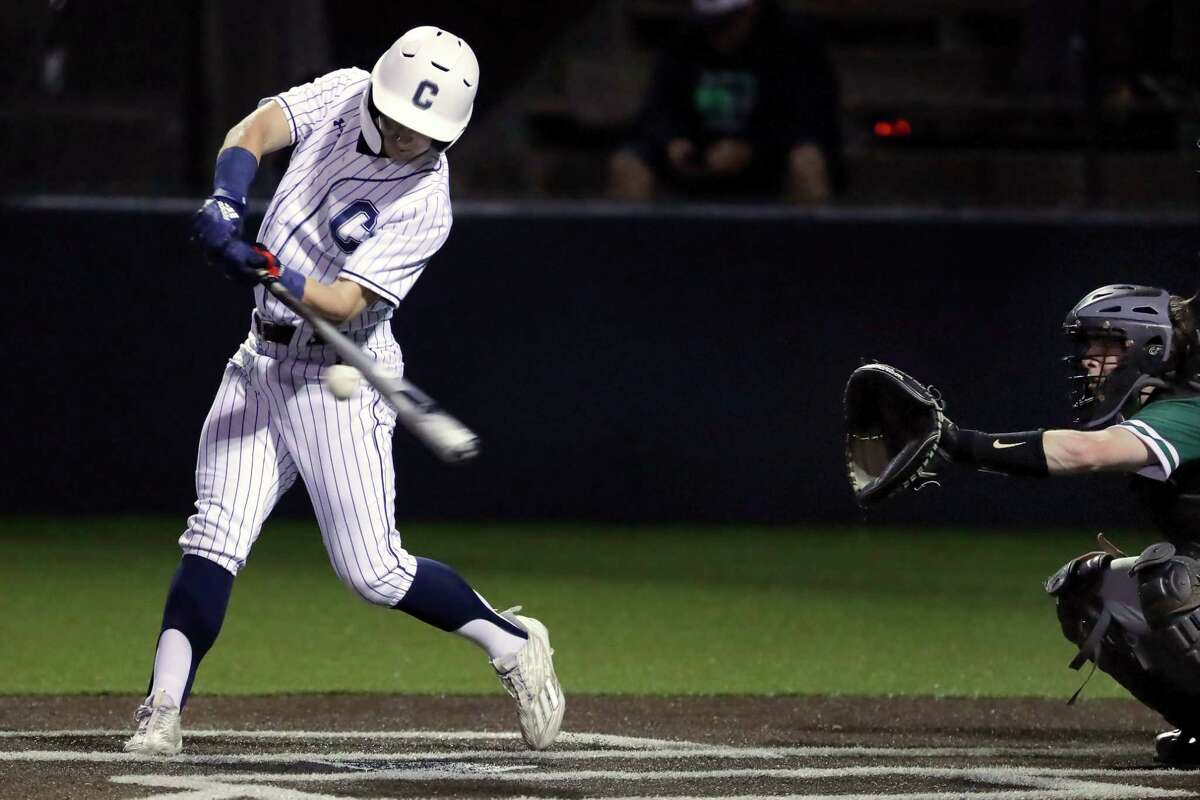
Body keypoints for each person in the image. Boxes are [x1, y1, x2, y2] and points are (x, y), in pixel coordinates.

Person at [122, 26, 564, 756]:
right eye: (396, 118)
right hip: (260, 364)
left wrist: (267, 269)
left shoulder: (427, 201)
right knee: (212, 538)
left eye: (422, 131)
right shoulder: (343, 92)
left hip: (342, 380)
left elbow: (343, 305)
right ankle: (162, 710)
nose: (402, 137)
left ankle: (513, 642)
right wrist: (228, 202)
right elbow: (256, 128)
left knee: (374, 571)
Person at [932, 283, 1200, 765]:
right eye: (1088, 344)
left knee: (1173, 584)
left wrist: (959, 443)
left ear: (1151, 347)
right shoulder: (1166, 408)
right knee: (1088, 592)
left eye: (1108, 343)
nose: (1089, 358)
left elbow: (1083, 453)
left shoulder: (1187, 411)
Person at [608, 0, 840, 204]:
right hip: (697, 158)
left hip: (770, 159)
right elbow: (656, 109)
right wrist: (673, 141)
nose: (716, 36)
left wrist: (753, 149)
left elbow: (813, 119)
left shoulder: (795, 40)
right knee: (628, 164)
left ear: (751, 10)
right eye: (710, 24)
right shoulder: (684, 39)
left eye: (726, 23)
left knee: (807, 162)